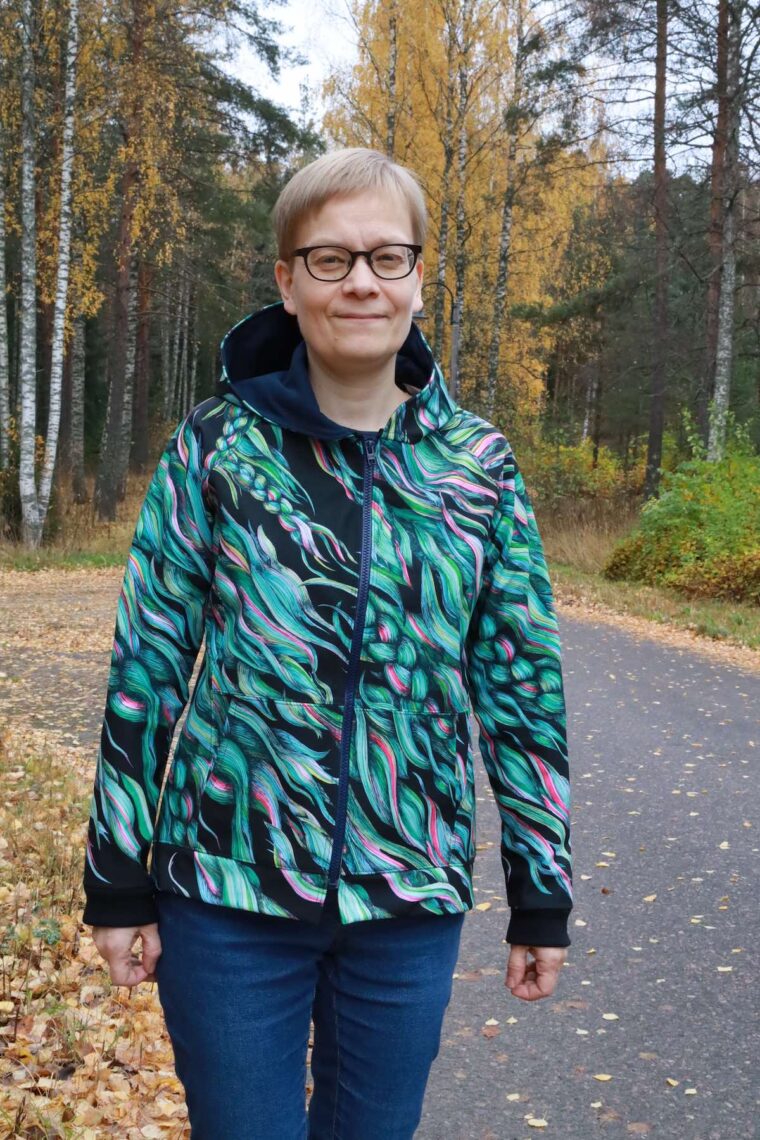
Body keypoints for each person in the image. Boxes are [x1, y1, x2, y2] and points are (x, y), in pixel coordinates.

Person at [83, 147, 573, 1139]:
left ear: (418, 278)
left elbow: (522, 693)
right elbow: (148, 674)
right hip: (226, 902)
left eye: (388, 257)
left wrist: (540, 896)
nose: (361, 280)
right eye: (330, 257)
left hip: (407, 902)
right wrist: (115, 881)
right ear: (286, 280)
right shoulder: (215, 449)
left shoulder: (477, 467)